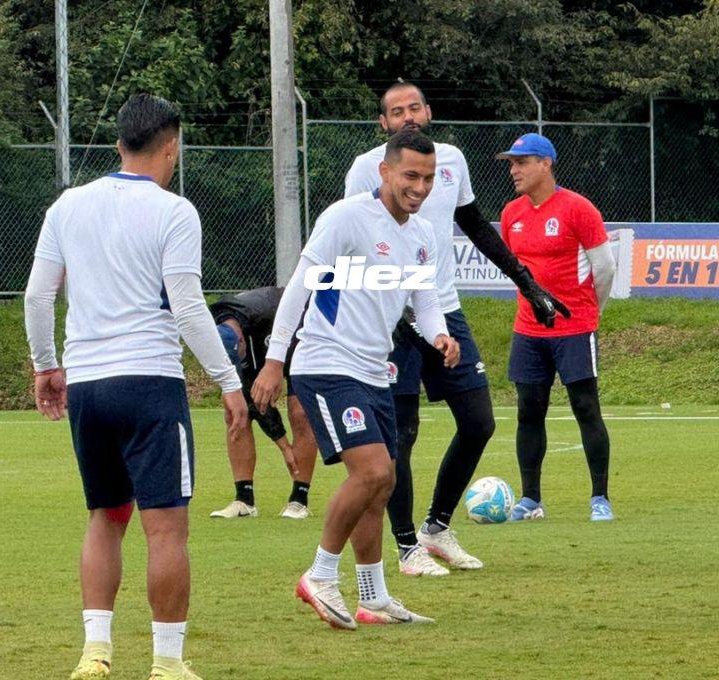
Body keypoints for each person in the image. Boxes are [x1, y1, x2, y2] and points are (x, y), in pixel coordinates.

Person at [24, 93, 248, 680]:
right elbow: (188, 307)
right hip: (149, 383)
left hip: (90, 387)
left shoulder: (67, 205)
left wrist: (46, 365)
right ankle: (167, 663)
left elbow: (38, 296)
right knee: (166, 526)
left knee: (105, 515)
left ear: (120, 140)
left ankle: (95, 655)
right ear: (170, 144)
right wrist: (228, 381)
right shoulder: (175, 211)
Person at [344, 81, 569, 576]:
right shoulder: (366, 169)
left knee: (479, 421)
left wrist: (527, 283)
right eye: (396, 111)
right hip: (389, 322)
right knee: (401, 434)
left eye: (414, 107)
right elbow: (354, 240)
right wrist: (391, 312)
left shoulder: (452, 160)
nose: (407, 116)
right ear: (383, 124)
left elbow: (475, 225)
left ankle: (437, 528)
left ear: (429, 112)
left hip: (443, 310)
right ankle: (406, 548)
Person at [253, 129, 459, 629]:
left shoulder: (424, 234)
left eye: (429, 178)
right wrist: (275, 358)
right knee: (372, 473)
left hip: (373, 370)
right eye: (411, 175)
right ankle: (320, 575)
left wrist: (440, 335)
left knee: (381, 485)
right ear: (385, 172)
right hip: (325, 364)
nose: (421, 187)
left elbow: (424, 300)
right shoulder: (346, 218)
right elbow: (302, 283)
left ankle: (374, 597)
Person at [495, 132, 616, 522]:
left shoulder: (579, 208)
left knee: (585, 408)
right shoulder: (512, 213)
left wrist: (588, 313)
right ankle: (531, 499)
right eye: (511, 163)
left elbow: (605, 268)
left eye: (521, 162)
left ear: (545, 164)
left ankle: (600, 498)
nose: (513, 170)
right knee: (529, 411)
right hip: (528, 330)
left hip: (574, 329)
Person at [208, 286, 318, 519]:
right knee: (234, 412)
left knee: (301, 411)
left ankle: (299, 499)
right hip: (261, 341)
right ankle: (244, 500)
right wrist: (284, 446)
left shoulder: (268, 313)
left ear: (239, 341)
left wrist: (275, 367)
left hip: (300, 335)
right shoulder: (219, 328)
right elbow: (251, 398)